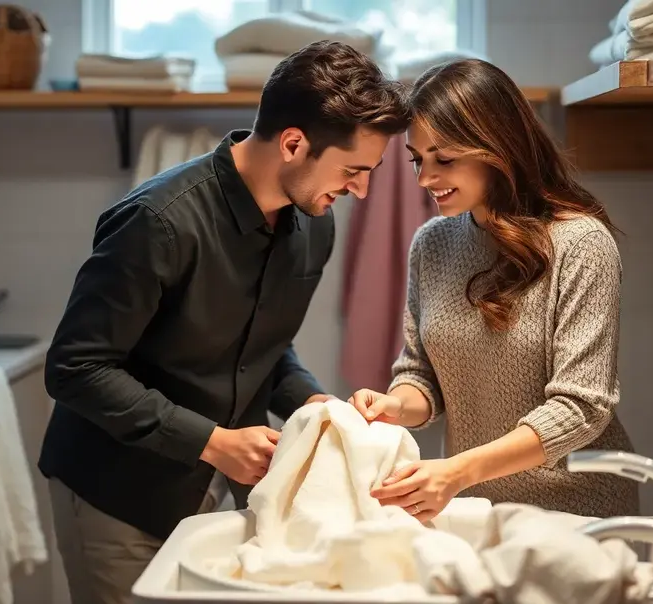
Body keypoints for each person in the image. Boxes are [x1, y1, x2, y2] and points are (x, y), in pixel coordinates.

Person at [38, 40, 411, 604]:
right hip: (115, 495)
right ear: (293, 143)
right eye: (353, 171)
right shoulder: (158, 222)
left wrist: (315, 406)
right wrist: (212, 441)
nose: (359, 190)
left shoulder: (313, 225)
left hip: (212, 489)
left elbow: (263, 345)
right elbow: (75, 368)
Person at [349, 58, 640, 523]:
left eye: (444, 159)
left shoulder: (581, 244)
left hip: (576, 510)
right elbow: (422, 374)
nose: (425, 179)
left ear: (496, 147)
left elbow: (582, 408)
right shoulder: (432, 243)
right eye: (418, 160)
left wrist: (458, 471)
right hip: (475, 510)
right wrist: (395, 404)